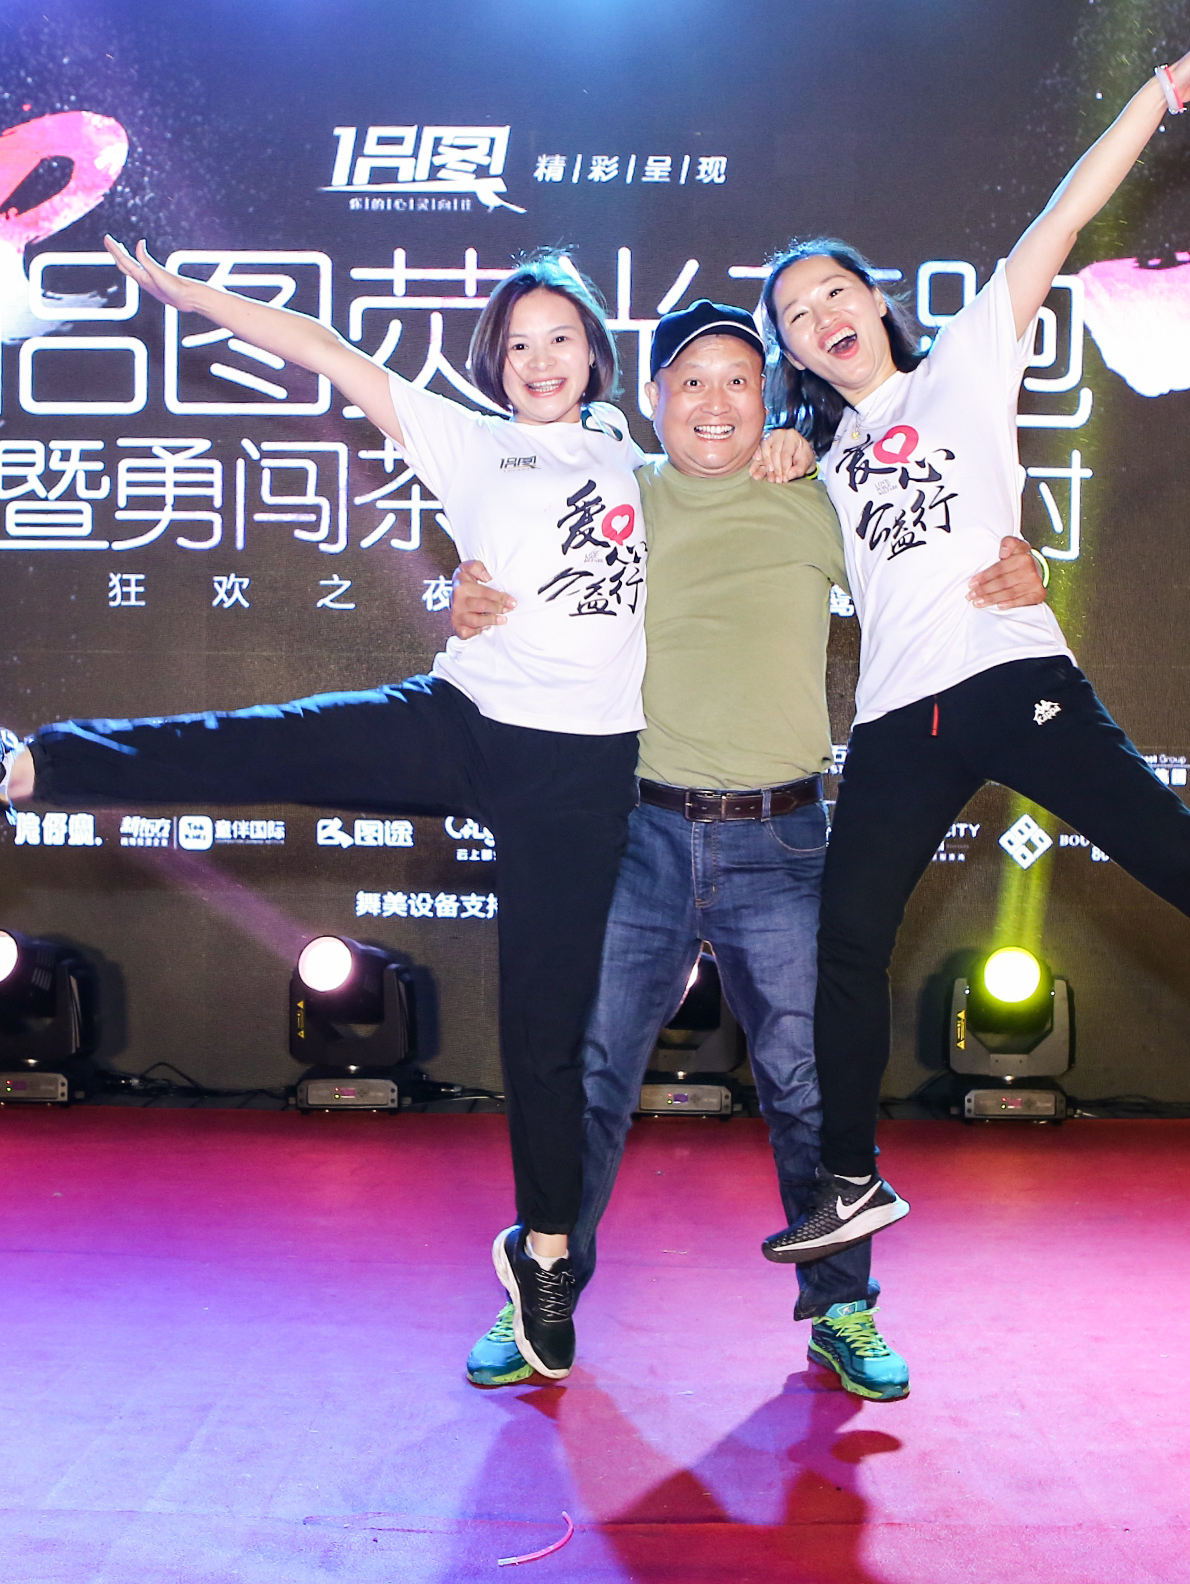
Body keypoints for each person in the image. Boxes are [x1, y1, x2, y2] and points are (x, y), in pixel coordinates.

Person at [754, 18, 1190, 1268]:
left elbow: (1065, 214)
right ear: (793, 350)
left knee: (1179, 854)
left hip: (1015, 678)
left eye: (833, 292)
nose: (821, 315)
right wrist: (765, 448)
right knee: (847, 940)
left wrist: (1160, 91)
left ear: (873, 300)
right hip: (898, 719)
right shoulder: (811, 464)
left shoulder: (967, 359)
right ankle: (850, 1178)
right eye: (795, 315)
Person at [0, 245, 651, 1384]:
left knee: (545, 1033)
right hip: (464, 718)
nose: (539, 360)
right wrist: (192, 298)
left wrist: (787, 446)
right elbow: (327, 350)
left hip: (583, 771)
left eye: (560, 339)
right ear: (495, 365)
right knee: (260, 739)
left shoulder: (641, 462)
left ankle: (545, 1255)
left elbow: (739, 478)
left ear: (594, 352)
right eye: (518, 345)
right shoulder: (468, 440)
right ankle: (9, 775)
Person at [444, 301, 1046, 1399]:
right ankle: (540, 1285)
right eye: (690, 381)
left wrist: (1019, 567)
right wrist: (469, 593)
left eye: (737, 380)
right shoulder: (614, 493)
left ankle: (843, 1308)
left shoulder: (815, 495)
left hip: (785, 838)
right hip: (638, 833)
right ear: (653, 398)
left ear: (768, 399)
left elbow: (931, 558)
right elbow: (513, 570)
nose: (714, 403)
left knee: (811, 1083)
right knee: (587, 1072)